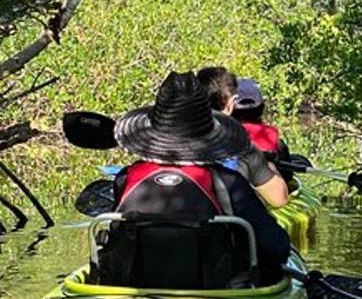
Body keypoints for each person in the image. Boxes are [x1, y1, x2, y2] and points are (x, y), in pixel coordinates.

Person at [106, 71, 291, 285]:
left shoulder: (125, 178)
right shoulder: (229, 182)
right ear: (208, 135)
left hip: (132, 292)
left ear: (154, 132)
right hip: (212, 294)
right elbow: (276, 247)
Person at [196, 66, 290, 207]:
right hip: (228, 221)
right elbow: (280, 199)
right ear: (231, 104)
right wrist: (269, 165)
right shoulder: (243, 146)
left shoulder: (168, 138)